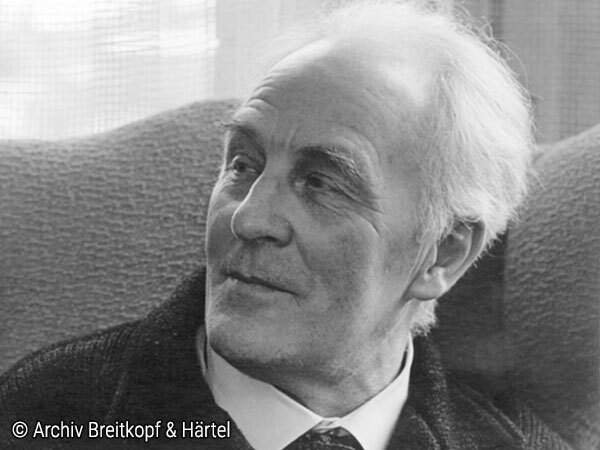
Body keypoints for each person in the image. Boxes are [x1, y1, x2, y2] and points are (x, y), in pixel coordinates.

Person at [0, 1, 573, 449]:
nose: (248, 218)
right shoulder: (50, 416)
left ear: (443, 252)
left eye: (321, 183)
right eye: (242, 165)